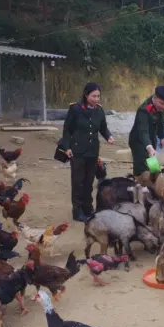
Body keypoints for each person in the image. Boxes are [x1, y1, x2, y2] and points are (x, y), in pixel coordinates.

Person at [61, 82, 114, 222]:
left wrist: (109, 136)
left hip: (92, 152)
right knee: (78, 182)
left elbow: (103, 127)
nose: (96, 99)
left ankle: (88, 208)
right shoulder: (75, 109)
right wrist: (67, 147)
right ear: (86, 95)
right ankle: (77, 211)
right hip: (77, 152)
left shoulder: (99, 110)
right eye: (93, 96)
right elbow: (67, 130)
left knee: (89, 182)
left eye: (98, 96)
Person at [128, 86, 164, 176]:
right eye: (162, 103)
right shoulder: (143, 110)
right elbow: (143, 131)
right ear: (155, 97)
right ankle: (138, 182)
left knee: (153, 167)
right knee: (142, 169)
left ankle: (153, 180)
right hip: (139, 142)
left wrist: (162, 137)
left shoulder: (160, 107)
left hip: (151, 139)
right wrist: (149, 147)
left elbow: (160, 122)